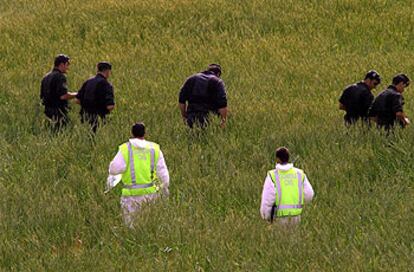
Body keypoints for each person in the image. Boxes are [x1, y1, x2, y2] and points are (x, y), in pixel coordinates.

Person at [107, 122, 170, 227]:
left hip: (130, 197)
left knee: (131, 227)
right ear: (145, 133)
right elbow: (163, 175)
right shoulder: (154, 149)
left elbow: (114, 169)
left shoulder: (125, 149)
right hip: (151, 195)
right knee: (149, 226)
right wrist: (163, 190)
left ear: (132, 133)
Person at [260, 147, 314, 226]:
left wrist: (266, 217)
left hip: (279, 218)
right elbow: (309, 194)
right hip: (296, 217)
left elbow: (267, 199)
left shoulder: (272, 176)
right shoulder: (299, 174)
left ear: (277, 159)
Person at [178, 64, 228, 128]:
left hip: (191, 118)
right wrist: (223, 122)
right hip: (209, 120)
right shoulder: (217, 82)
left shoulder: (191, 79)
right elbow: (223, 104)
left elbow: (181, 99)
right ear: (218, 74)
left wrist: (184, 116)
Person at [40, 54, 77, 131]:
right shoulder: (60, 76)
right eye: (67, 65)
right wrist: (77, 94)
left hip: (47, 112)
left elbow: (41, 97)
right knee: (63, 132)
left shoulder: (46, 77)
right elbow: (63, 96)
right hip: (59, 113)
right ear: (61, 64)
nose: (68, 68)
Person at [75, 62, 115, 133]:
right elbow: (110, 106)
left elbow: (77, 100)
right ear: (107, 71)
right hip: (98, 119)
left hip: (84, 117)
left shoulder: (88, 82)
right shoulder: (106, 85)